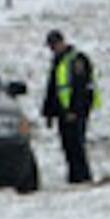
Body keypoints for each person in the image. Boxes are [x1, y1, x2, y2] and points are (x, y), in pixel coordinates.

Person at [39, 29, 96, 184]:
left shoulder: (77, 60)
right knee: (68, 146)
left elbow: (80, 88)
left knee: (77, 145)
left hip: (76, 112)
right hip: (63, 112)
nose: (52, 49)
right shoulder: (58, 62)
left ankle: (83, 177)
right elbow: (53, 89)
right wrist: (49, 113)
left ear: (61, 42)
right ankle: (74, 176)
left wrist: (75, 111)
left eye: (54, 45)